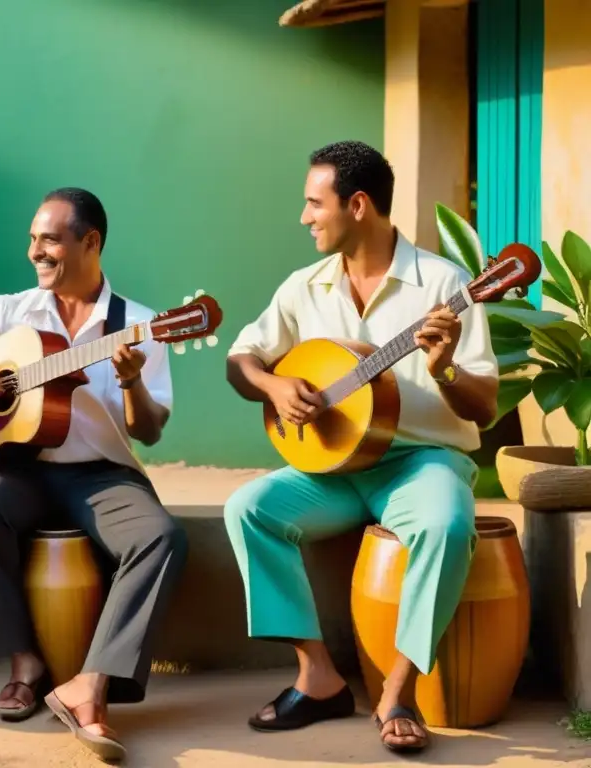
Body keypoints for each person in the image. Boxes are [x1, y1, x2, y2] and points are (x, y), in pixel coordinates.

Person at [223, 141, 498, 753]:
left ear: (359, 204)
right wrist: (274, 383)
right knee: (248, 507)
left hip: (419, 461)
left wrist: (446, 367)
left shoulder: (445, 286)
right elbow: (240, 360)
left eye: (314, 204)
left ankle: (398, 691)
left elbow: (485, 408)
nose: (305, 217)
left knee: (447, 524)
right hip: (336, 467)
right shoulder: (305, 286)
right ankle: (317, 676)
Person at [0, 187, 187, 762]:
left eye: (50, 240)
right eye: (33, 239)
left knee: (162, 537)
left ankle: (92, 684)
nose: (35, 251)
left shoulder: (138, 325)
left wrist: (131, 382)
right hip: (20, 470)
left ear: (91, 242)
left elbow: (151, 430)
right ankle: (23, 660)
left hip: (101, 475)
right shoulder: (13, 311)